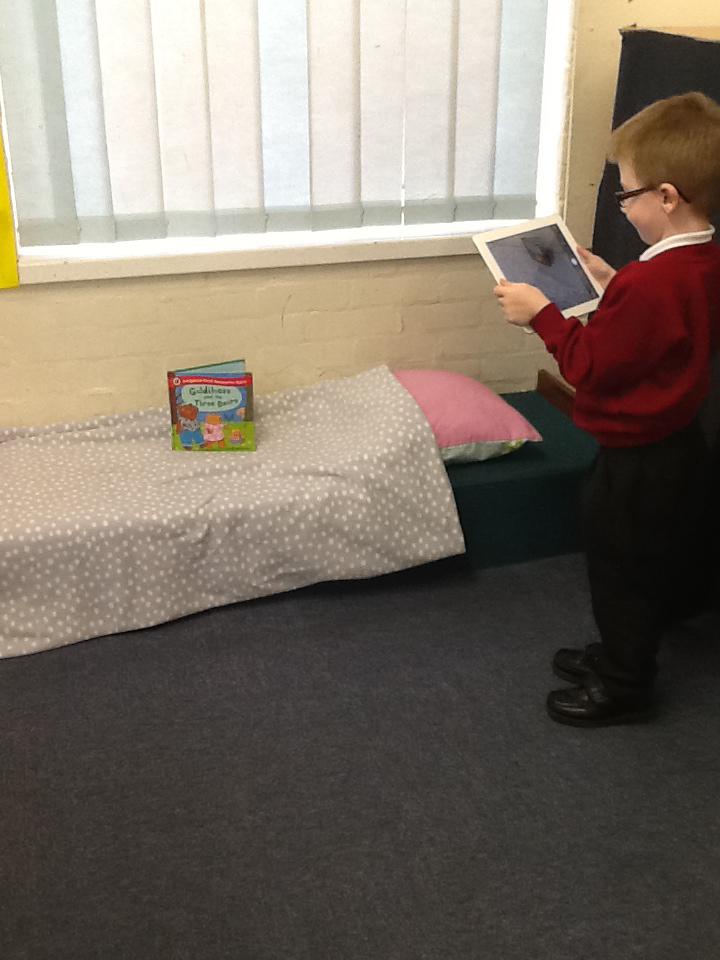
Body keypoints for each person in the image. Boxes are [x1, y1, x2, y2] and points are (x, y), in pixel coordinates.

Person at [493, 91, 720, 726]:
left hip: (636, 460)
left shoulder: (651, 283)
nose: (623, 206)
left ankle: (624, 684)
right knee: (643, 563)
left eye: (628, 194)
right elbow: (669, 323)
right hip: (677, 444)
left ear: (667, 197)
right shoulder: (701, 260)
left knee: (620, 571)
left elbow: (589, 368)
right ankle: (624, 650)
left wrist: (541, 315)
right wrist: (613, 281)